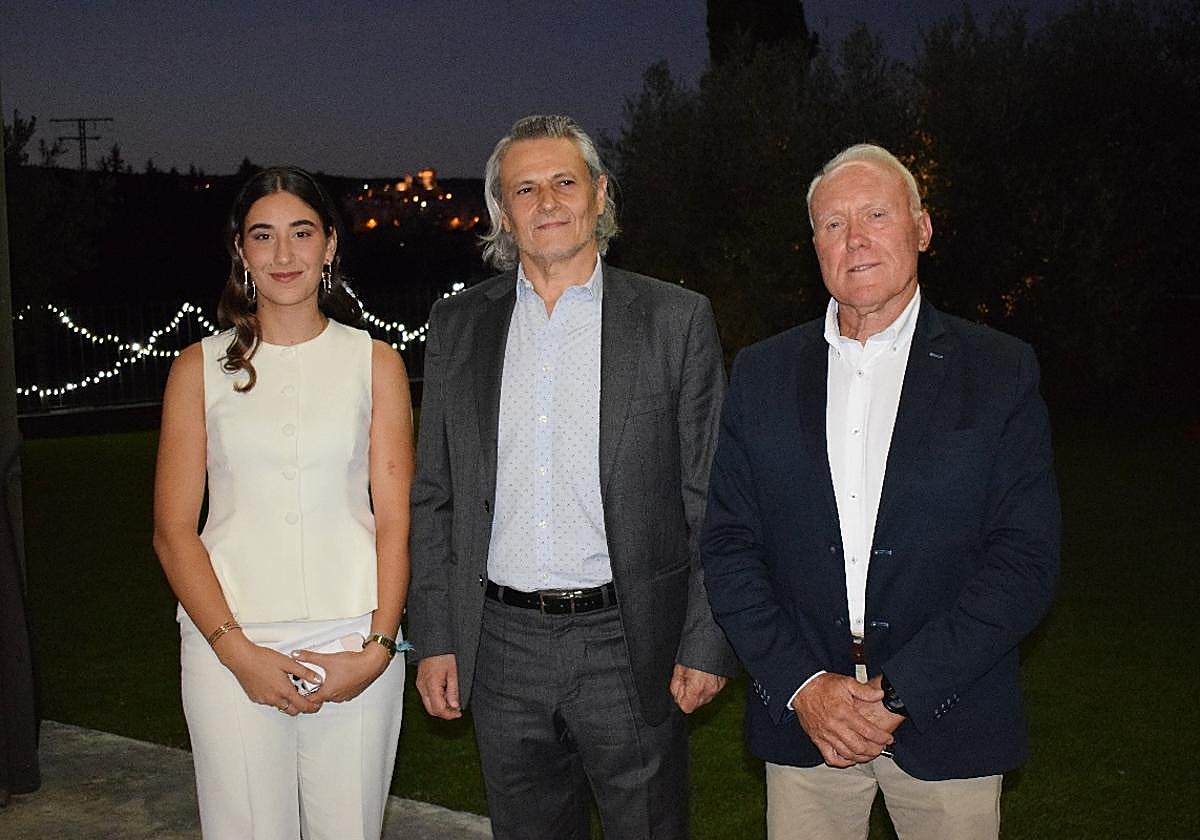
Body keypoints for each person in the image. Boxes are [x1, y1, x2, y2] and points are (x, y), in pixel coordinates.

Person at [700, 143, 1060, 840]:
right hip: (807, 727)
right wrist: (805, 687)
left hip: (949, 715)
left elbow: (1024, 562)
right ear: (815, 247)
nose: (855, 238)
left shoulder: (998, 371)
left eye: (875, 214)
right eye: (833, 224)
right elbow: (730, 546)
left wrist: (900, 693)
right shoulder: (762, 373)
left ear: (921, 230)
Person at [408, 114, 737, 839]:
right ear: (501, 210)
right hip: (499, 649)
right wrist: (435, 634)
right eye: (524, 188)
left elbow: (712, 500)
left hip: (630, 644)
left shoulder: (673, 320)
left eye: (565, 181)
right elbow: (435, 494)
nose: (547, 201)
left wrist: (706, 640)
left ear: (599, 195)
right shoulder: (458, 325)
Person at [153, 165, 414, 840]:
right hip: (229, 639)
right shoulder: (197, 367)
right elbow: (173, 531)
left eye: (302, 233)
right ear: (241, 250)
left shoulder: (374, 361)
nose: (283, 254)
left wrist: (380, 646)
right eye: (262, 236)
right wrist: (234, 651)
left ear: (330, 245)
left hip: (353, 636)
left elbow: (396, 519)